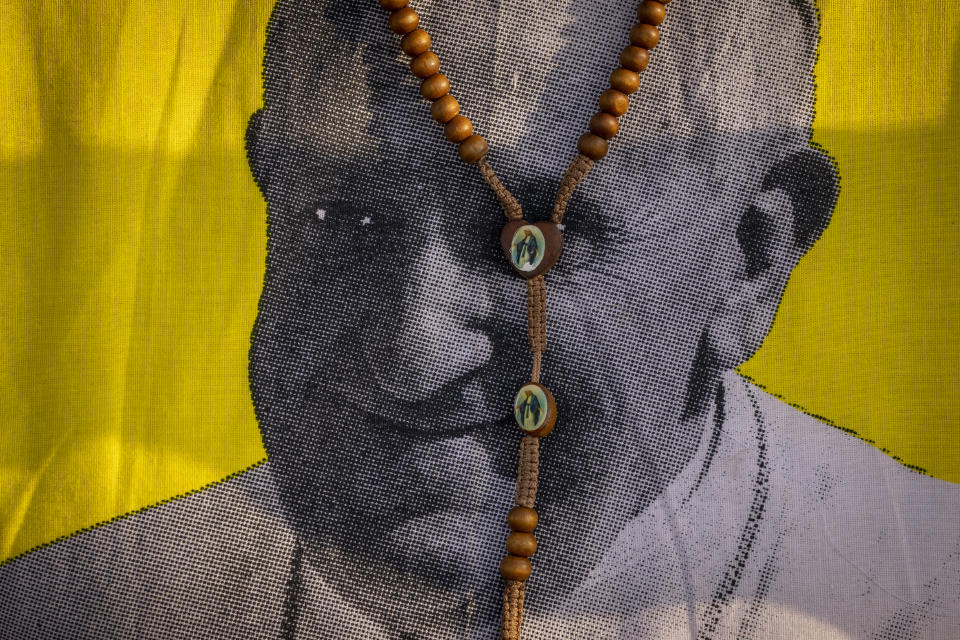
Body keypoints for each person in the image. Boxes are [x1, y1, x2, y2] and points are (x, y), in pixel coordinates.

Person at [1, 1, 958, 638]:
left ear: (750, 256)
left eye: (534, 238)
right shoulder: (77, 611)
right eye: (343, 219)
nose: (414, 354)